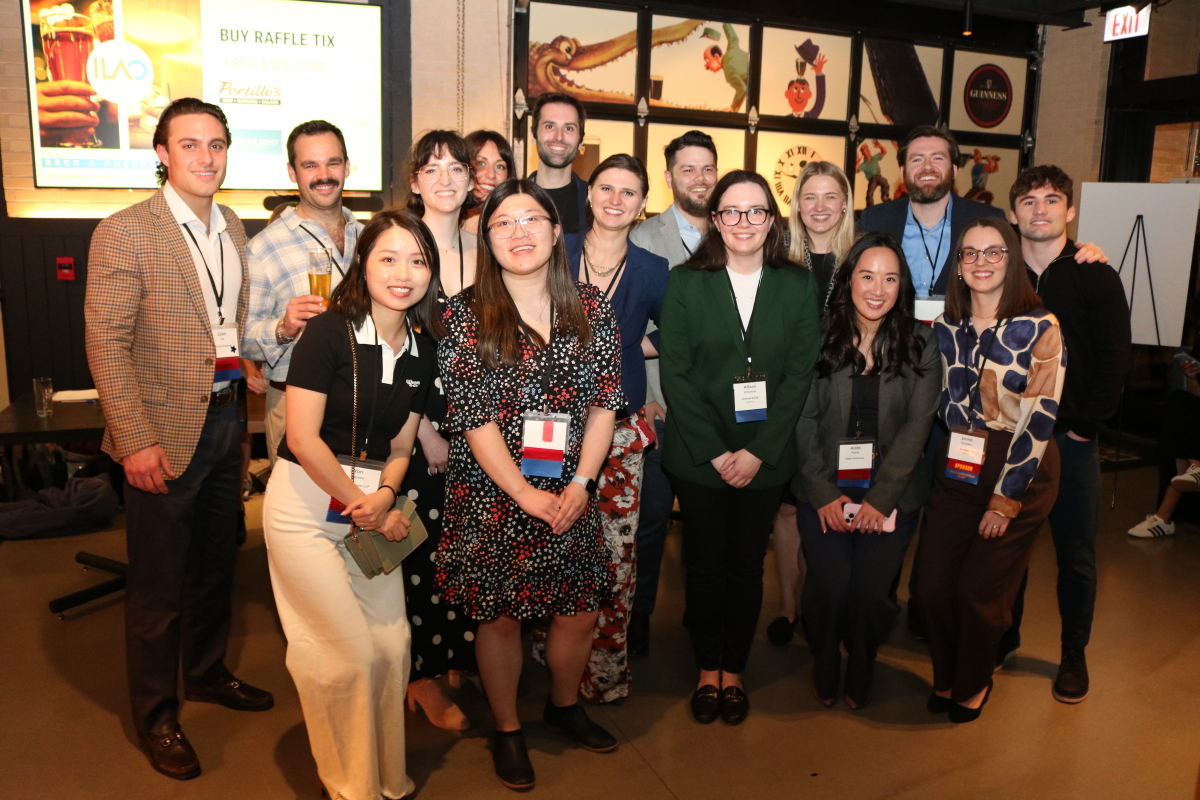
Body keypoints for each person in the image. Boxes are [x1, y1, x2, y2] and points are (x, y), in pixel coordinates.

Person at [85, 97, 272, 781]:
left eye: (217, 144)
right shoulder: (126, 231)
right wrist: (133, 440)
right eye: (190, 145)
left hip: (224, 419)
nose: (207, 157)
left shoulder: (232, 224)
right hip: (159, 429)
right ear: (162, 153)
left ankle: (207, 672)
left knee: (216, 566)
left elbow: (224, 328)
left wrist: (246, 390)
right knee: (159, 586)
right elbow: (106, 344)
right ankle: (157, 716)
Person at [435, 179, 625, 790]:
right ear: (487, 238)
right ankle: (509, 727)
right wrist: (524, 493)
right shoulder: (464, 312)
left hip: (571, 492)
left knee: (577, 610)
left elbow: (603, 407)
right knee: (500, 619)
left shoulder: (591, 306)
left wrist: (585, 484)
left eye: (532, 220)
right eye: (503, 223)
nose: (519, 233)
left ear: (554, 230)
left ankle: (564, 705)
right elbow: (473, 417)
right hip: (495, 495)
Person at [263, 209, 440, 800]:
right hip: (308, 507)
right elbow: (302, 438)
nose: (403, 273)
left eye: (417, 261)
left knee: (393, 646)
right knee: (345, 655)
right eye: (388, 258)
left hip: (372, 510)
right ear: (362, 264)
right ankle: (349, 787)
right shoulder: (329, 332)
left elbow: (401, 443)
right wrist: (359, 499)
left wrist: (386, 495)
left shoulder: (421, 348)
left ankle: (386, 777)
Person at [659, 170, 819, 725]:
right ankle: (708, 669)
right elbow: (675, 375)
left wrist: (758, 451)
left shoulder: (796, 284)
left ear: (771, 220)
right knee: (704, 566)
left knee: (748, 567)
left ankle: (735, 669)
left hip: (765, 455)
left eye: (755, 212)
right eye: (731, 211)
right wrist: (716, 450)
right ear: (715, 220)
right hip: (698, 456)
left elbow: (801, 374)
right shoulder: (686, 282)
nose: (743, 222)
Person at [918, 217, 1066, 724]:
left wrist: (1006, 499)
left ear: (1012, 260)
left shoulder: (1040, 326)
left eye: (993, 252)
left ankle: (974, 682)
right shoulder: (944, 328)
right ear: (957, 266)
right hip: (958, 462)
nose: (980, 262)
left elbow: (1039, 420)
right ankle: (947, 674)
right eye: (969, 253)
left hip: (1021, 468)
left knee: (979, 589)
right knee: (932, 584)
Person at [998, 165, 1131, 703]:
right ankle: (1002, 636)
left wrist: (1083, 430)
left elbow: (1115, 359)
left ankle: (1073, 655)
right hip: (1011, 437)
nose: (1040, 210)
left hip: (1071, 441)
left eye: (1052, 200)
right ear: (1013, 215)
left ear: (1070, 210)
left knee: (1075, 554)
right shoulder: (999, 271)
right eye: (1029, 202)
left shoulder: (1096, 274)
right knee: (1009, 546)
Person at [792, 232, 941, 707]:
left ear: (903, 287)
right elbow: (802, 418)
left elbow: (917, 429)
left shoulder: (922, 342)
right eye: (867, 276)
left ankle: (862, 656)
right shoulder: (815, 335)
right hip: (825, 486)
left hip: (890, 491)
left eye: (890, 278)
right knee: (831, 588)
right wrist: (820, 492)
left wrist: (881, 499)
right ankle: (824, 656)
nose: (877, 289)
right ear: (848, 280)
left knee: (872, 593)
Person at [549, 153, 668, 703]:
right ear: (590, 193)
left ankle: (603, 674)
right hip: (547, 426)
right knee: (549, 541)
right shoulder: (554, 248)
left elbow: (676, 335)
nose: (616, 200)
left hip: (619, 431)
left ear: (643, 205)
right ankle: (546, 659)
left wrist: (624, 348)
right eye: (606, 188)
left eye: (629, 192)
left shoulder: (652, 270)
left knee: (615, 556)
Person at [400, 129, 482, 729]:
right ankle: (421, 679)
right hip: (422, 428)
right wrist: (426, 426)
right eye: (432, 169)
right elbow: (393, 343)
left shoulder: (490, 244)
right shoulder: (402, 245)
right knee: (421, 555)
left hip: (483, 427)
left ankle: (457, 654)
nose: (446, 178)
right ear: (414, 182)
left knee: (469, 547)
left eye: (457, 167)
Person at [628, 129, 719, 657]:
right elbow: (625, 328)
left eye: (706, 168)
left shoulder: (735, 231)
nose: (699, 179)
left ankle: (701, 618)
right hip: (658, 411)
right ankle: (639, 619)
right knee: (651, 524)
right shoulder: (642, 239)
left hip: (716, 415)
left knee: (706, 530)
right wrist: (641, 398)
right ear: (668, 177)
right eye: (687, 169)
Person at [766, 159, 858, 647]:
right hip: (787, 400)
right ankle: (788, 606)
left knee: (831, 504)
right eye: (810, 197)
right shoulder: (777, 259)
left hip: (842, 404)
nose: (820, 207)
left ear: (845, 204)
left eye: (830, 197)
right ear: (796, 205)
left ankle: (830, 603)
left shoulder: (861, 260)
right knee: (786, 511)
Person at [244, 120, 361, 464]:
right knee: (298, 515)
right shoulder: (264, 246)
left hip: (361, 403)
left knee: (361, 512)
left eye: (332, 163)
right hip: (294, 404)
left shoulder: (369, 238)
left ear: (347, 167)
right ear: (292, 173)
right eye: (310, 165)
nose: (323, 174)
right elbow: (245, 335)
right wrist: (284, 327)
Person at [859, 126, 1005, 297]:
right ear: (903, 172)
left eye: (937, 158)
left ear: (955, 170)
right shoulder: (874, 221)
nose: (927, 167)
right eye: (917, 160)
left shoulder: (990, 221)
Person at [529, 92, 589, 234]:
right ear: (533, 135)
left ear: (581, 141)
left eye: (568, 128)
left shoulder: (596, 202)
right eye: (550, 126)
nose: (559, 137)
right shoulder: (512, 199)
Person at [462, 130, 515, 235]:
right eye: (481, 163)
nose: (491, 174)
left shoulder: (513, 231)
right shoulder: (436, 226)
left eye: (500, 166)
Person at [701, 23, 750, 112]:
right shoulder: (732, 48)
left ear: (716, 56)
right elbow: (733, 37)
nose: (706, 65)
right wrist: (725, 22)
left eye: (707, 60)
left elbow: (742, 89)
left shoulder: (729, 71)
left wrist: (732, 109)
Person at [856, 140, 890, 207]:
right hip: (873, 179)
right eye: (865, 149)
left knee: (885, 182)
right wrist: (857, 163)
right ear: (863, 153)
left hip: (879, 176)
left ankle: (885, 197)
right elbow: (856, 170)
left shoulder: (874, 158)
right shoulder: (864, 165)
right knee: (869, 193)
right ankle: (870, 207)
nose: (867, 150)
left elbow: (884, 152)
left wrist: (880, 146)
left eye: (867, 148)